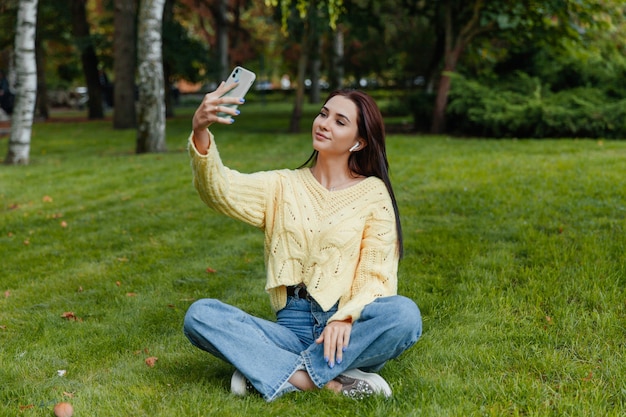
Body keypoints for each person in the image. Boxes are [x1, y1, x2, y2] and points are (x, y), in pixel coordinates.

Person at [183, 82, 422, 402]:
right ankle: (327, 380)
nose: (324, 123)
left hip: (348, 331)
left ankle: (271, 371)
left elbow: (376, 277)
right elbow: (220, 191)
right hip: (291, 327)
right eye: (323, 113)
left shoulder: (373, 193)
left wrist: (346, 317)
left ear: (358, 142)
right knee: (200, 316)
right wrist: (200, 130)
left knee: (404, 315)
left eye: (340, 121)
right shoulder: (282, 185)